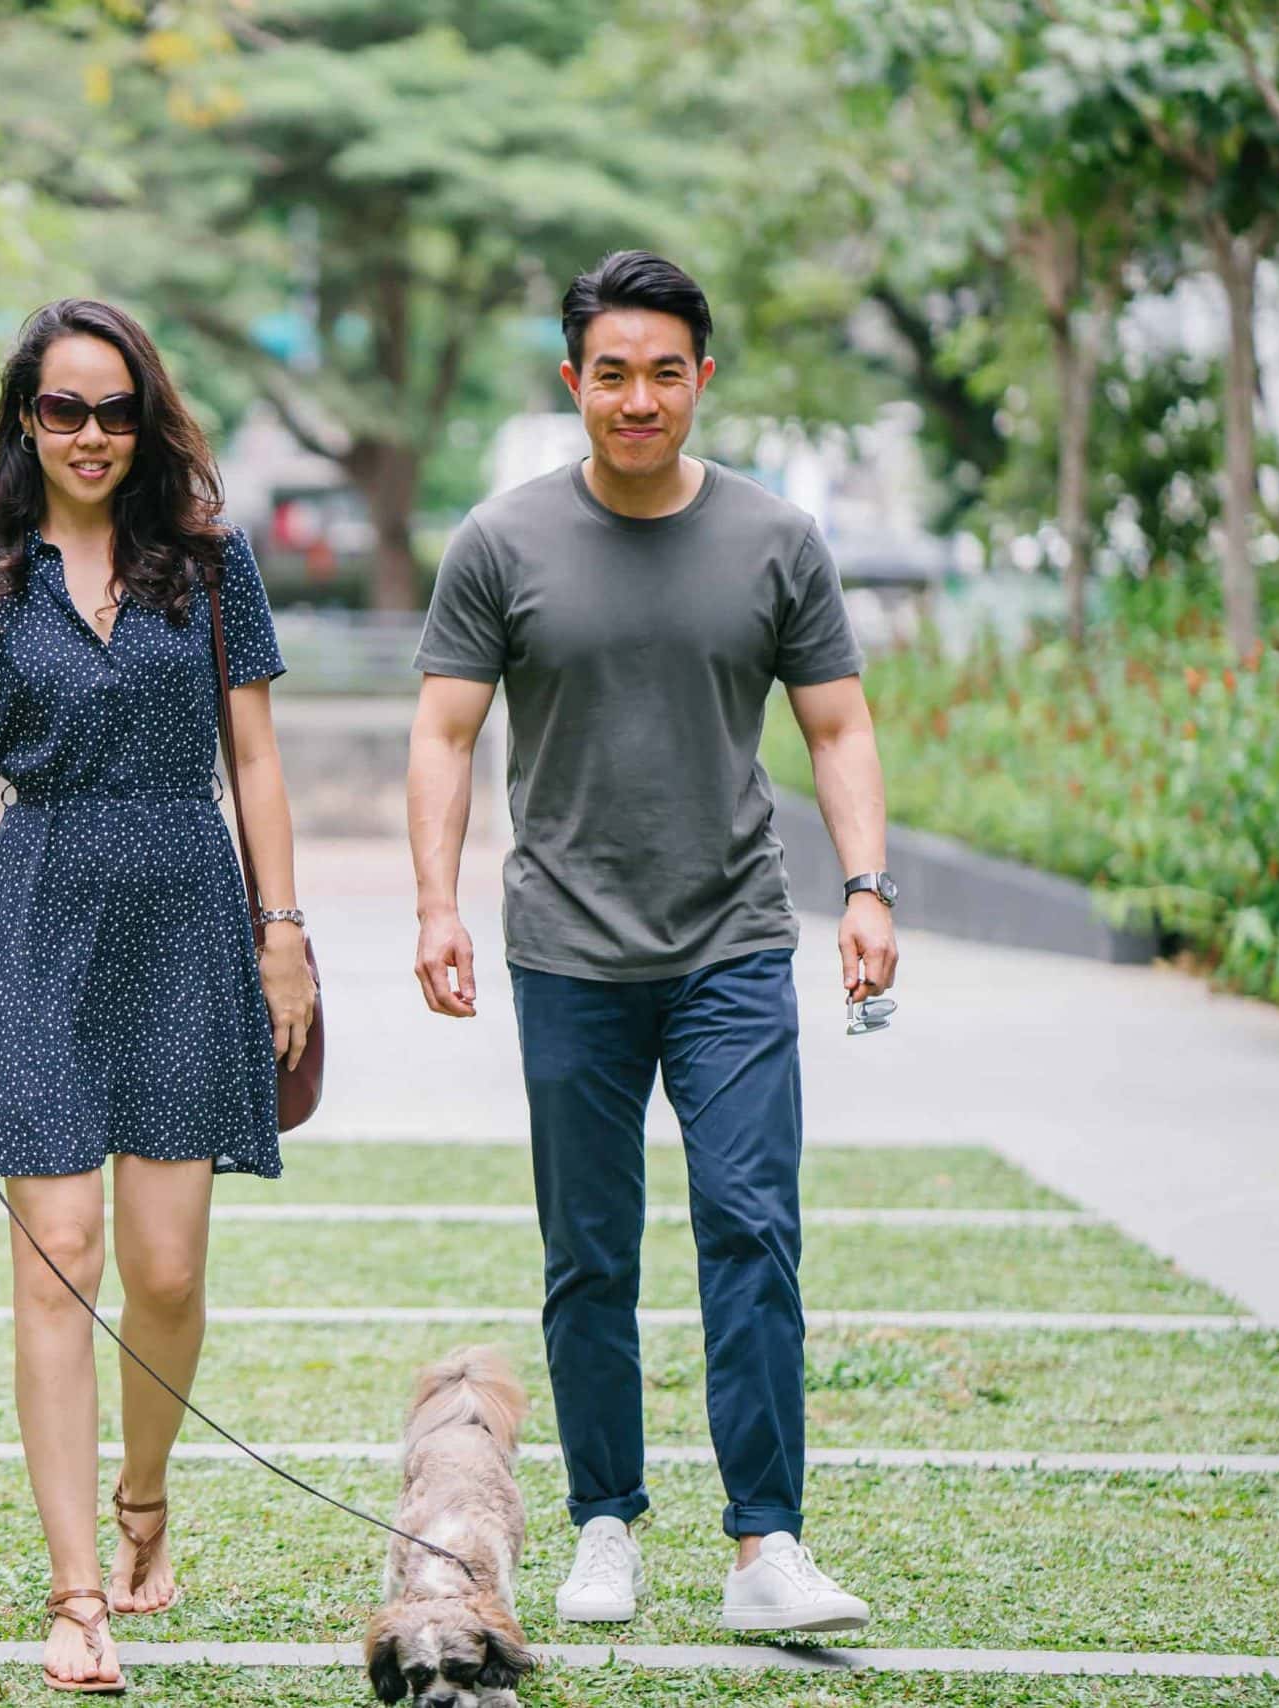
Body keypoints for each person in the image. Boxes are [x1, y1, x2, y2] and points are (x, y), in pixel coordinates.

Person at [404, 251, 897, 1633]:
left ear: (702, 381)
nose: (637, 398)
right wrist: (437, 904)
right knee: (590, 1251)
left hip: (734, 937)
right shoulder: (501, 543)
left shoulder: (776, 539)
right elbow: (443, 732)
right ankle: (604, 1523)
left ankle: (765, 1550)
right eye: (611, 373)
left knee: (752, 1228)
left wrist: (867, 886)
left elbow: (838, 722)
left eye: (663, 372)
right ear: (575, 381)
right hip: (564, 945)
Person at [0, 299, 317, 1693]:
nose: (90, 434)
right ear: (24, 419)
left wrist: (284, 929)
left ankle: (145, 1501)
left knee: (169, 1270)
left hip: (190, 905)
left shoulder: (211, 566)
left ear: (148, 418)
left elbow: (257, 763)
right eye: (63, 409)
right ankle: (77, 1596)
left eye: (115, 409)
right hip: (39, 912)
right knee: (60, 1254)